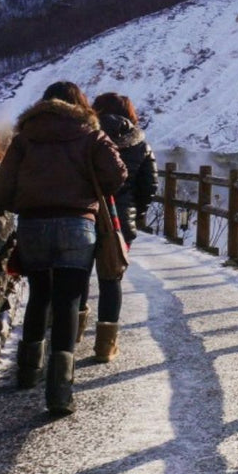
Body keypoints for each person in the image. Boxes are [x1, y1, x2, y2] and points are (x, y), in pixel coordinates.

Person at [0, 81, 126, 416]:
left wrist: (25, 204)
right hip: (76, 224)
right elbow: (117, 174)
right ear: (80, 105)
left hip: (33, 224)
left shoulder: (25, 138)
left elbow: (1, 189)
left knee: (39, 294)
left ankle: (27, 370)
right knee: (68, 298)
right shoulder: (91, 134)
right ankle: (59, 390)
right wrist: (89, 191)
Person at [82, 92, 157, 361]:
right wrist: (134, 212)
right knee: (111, 278)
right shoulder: (139, 143)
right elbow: (150, 186)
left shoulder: (85, 136)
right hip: (120, 219)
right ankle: (105, 346)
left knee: (79, 274)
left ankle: (76, 329)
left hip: (85, 214)